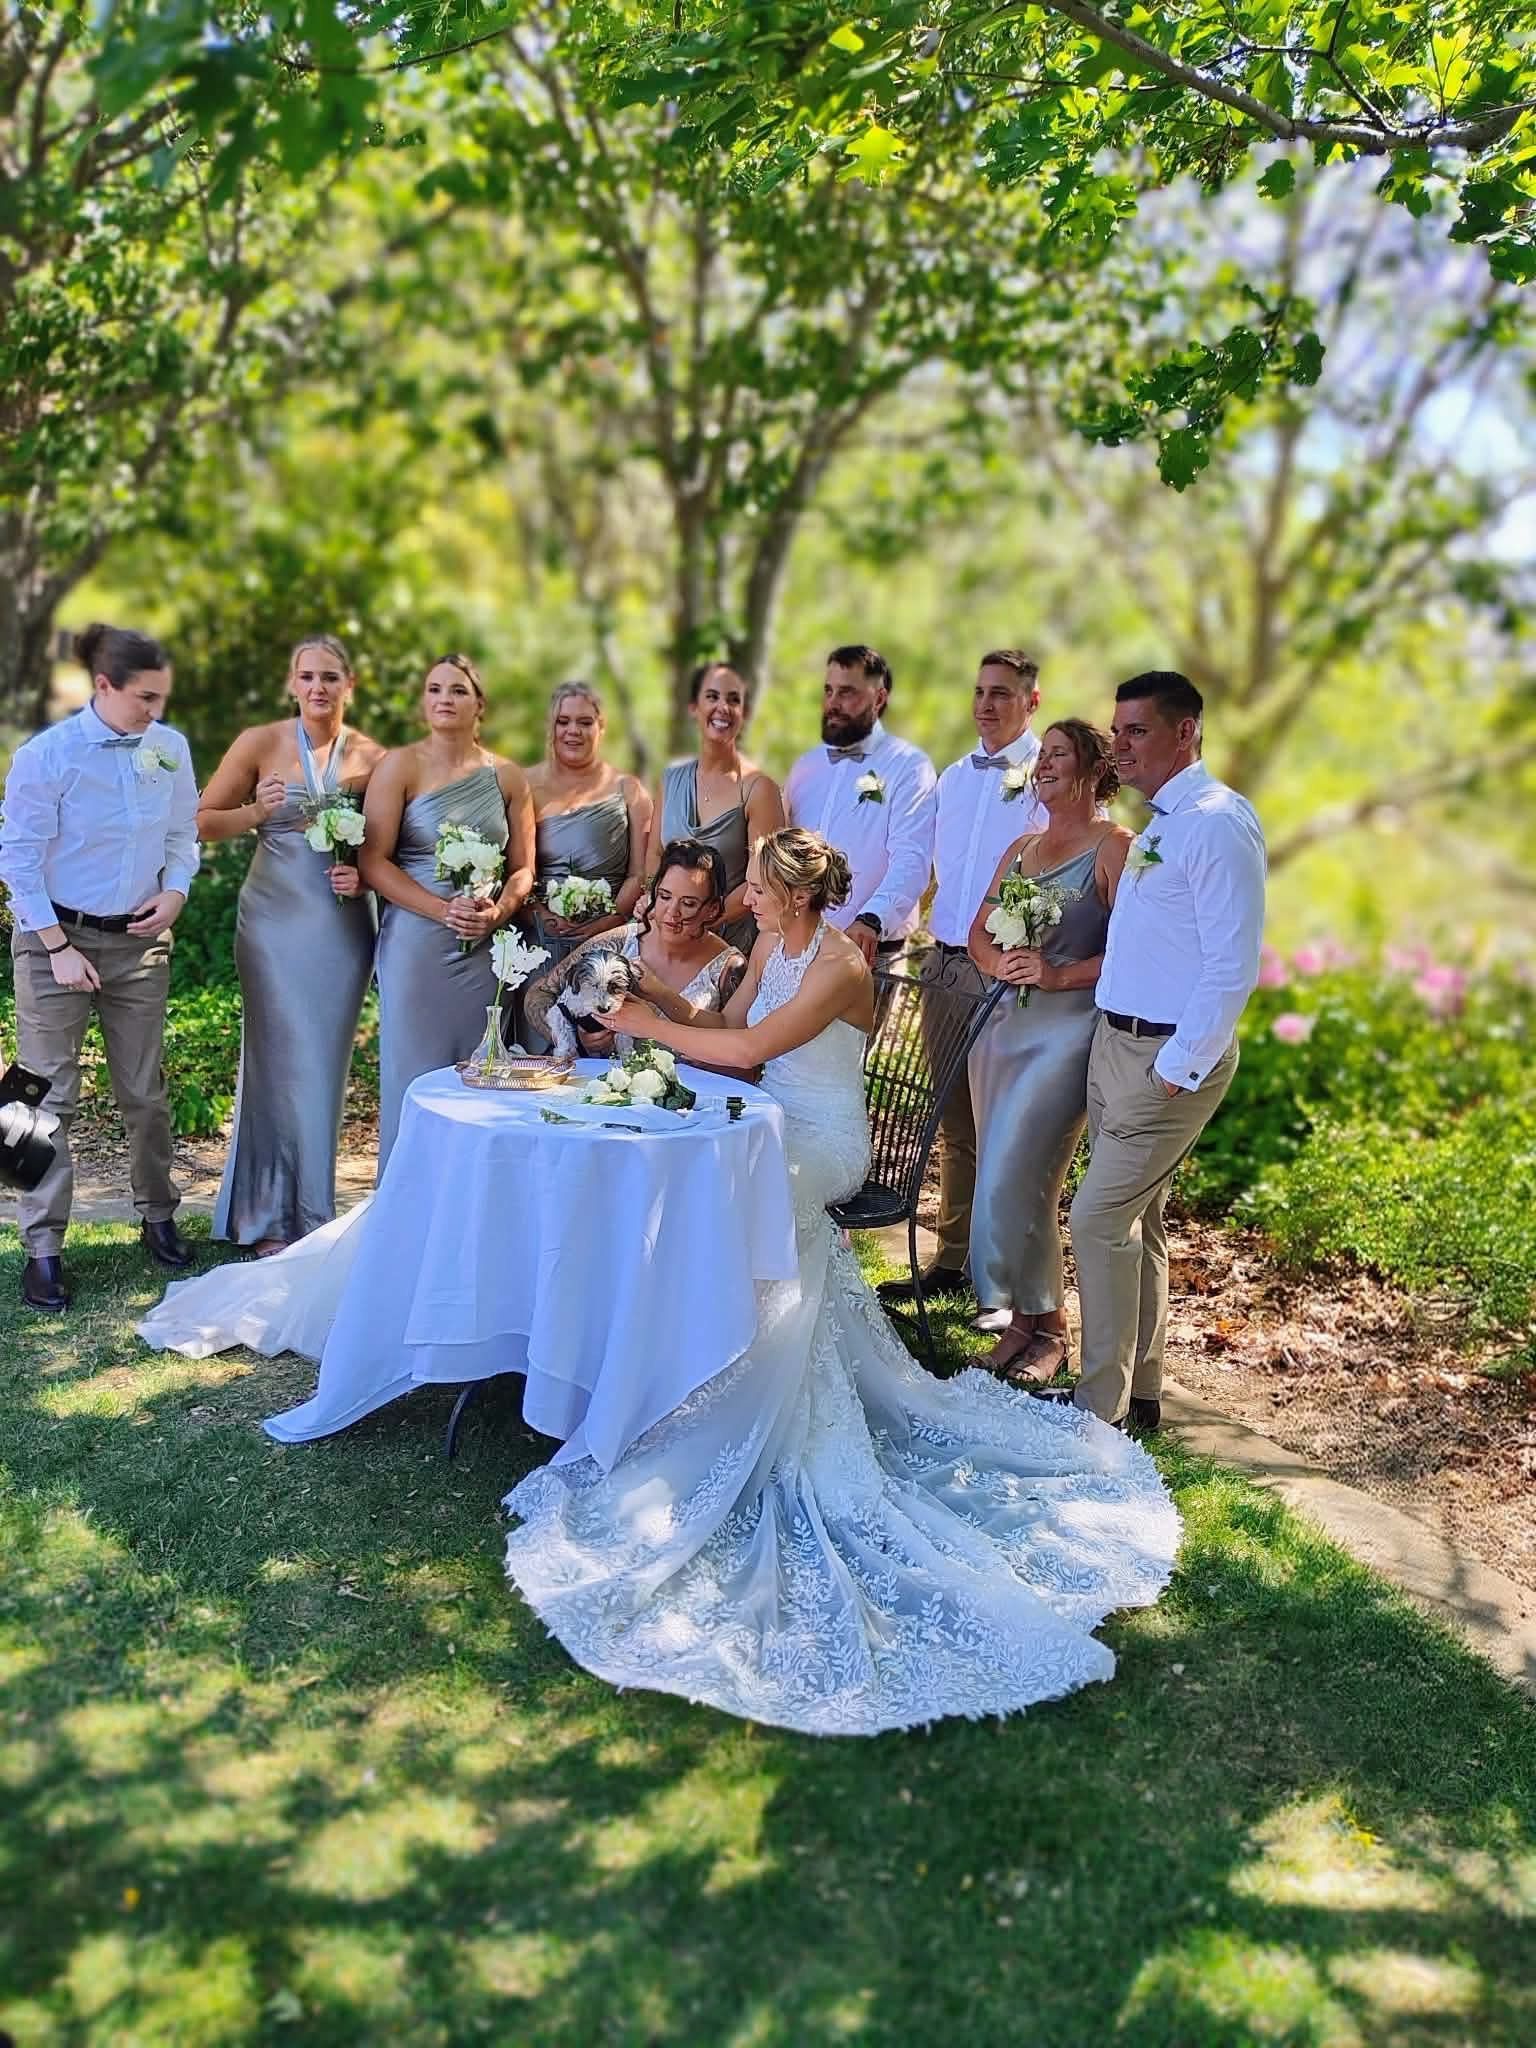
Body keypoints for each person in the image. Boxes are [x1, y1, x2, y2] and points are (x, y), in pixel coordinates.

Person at [500, 825, 1180, 1736]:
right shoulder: (770, 947)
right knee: (689, 1186)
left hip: (821, 1142)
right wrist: (649, 987)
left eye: (757, 890)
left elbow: (743, 1057)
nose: (744, 899)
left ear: (791, 893)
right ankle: (672, 1370)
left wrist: (628, 1024)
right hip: (765, 1120)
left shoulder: (837, 965)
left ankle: (708, 1390)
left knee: (719, 1203)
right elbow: (725, 1028)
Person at [1067, 672, 1267, 1432]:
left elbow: (1231, 966)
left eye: (1136, 732)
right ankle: (1143, 1394)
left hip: (1166, 1062)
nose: (1118, 746)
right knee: (1137, 1222)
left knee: (1093, 1220)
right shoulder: (1162, 823)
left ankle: (1098, 1412)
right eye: (1115, 732)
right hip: (1117, 1043)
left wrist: (1178, 1068)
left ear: (1186, 732)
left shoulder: (1218, 822)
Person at [0, 623, 200, 1311]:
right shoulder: (46, 757)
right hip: (53, 937)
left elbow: (183, 837)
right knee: (36, 1097)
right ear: (103, 686)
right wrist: (56, 947)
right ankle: (42, 1248)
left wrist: (174, 893)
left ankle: (158, 1216)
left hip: (140, 944)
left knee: (145, 1092)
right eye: (145, 698)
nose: (156, 712)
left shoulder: (168, 748)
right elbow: (17, 859)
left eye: (162, 698)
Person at [196, 636, 386, 1256]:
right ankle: (267, 1216)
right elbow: (201, 821)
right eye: (307, 676)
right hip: (272, 926)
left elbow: (388, 849)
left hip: (340, 926)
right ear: (291, 682)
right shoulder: (259, 743)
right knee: (276, 1064)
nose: (318, 688)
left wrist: (360, 871)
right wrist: (256, 811)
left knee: (323, 1068)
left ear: (350, 686)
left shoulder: (375, 758)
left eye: (330, 677)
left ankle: (311, 1211)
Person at [966, 720, 1130, 1383]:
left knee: (1020, 1173)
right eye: (1042, 758)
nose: (1044, 766)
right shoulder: (1020, 847)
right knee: (1009, 1179)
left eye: (1059, 755)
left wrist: (1059, 974)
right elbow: (977, 929)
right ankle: (1025, 1328)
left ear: (1094, 767)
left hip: (1067, 1033)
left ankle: (1052, 1329)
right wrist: (996, 963)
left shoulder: (1116, 847)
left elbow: (1132, 950)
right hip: (1001, 1029)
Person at [880, 648, 1046, 1306]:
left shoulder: (1043, 776)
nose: (986, 704)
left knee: (1000, 1126)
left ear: (1032, 701)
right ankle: (951, 1261)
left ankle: (999, 1279)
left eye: (1002, 693)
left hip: (1001, 974)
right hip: (943, 963)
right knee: (952, 1124)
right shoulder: (953, 775)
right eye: (979, 691)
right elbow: (927, 866)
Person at [360, 655, 535, 1169]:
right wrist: (441, 910)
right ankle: (406, 1208)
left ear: (479, 704)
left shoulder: (507, 777)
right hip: (416, 944)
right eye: (434, 689)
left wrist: (499, 912)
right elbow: (372, 860)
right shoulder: (399, 765)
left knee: (482, 1077)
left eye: (457, 690)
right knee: (414, 1076)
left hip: (485, 952)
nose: (443, 698)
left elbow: (524, 869)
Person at [523, 837, 747, 1059]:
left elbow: (741, 1047)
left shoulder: (729, 967)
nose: (671, 912)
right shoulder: (620, 942)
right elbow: (539, 993)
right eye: (664, 896)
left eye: (688, 904)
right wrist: (573, 1037)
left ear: (713, 908)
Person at [783, 645, 936, 965]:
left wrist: (872, 919)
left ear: (879, 699)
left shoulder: (909, 766)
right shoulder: (805, 767)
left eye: (847, 692)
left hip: (868, 952)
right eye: (829, 690)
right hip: (795, 948)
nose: (833, 704)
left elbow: (912, 858)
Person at [644, 662, 784, 954]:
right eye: (712, 697)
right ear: (694, 707)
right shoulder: (670, 780)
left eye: (734, 700)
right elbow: (655, 855)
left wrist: (700, 922)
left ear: (744, 714)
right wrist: (659, 908)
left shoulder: (759, 790)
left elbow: (764, 878)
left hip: (727, 943)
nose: (723, 707)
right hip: (665, 936)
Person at [522, 680, 651, 974]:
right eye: (563, 721)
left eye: (585, 722)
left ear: (601, 727)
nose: (573, 731)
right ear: (550, 727)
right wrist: (541, 918)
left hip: (605, 944)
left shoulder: (629, 790)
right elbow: (515, 866)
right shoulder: (524, 786)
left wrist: (608, 921)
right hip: (538, 943)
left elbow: (639, 874)